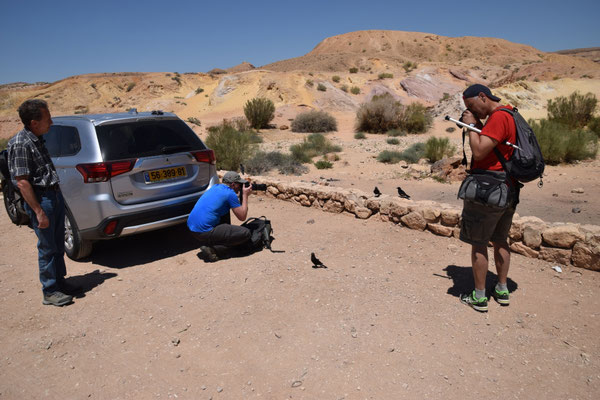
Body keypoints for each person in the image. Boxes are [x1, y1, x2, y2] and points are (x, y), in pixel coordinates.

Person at [7, 99, 80, 307]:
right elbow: (22, 182)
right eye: (48, 119)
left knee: (57, 243)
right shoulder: (21, 143)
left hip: (53, 196)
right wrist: (38, 211)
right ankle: (50, 290)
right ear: (34, 122)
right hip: (42, 200)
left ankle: (60, 282)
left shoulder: (37, 139)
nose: (51, 123)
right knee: (47, 247)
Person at [458, 84, 520, 312]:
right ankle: (502, 290)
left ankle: (480, 296)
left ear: (483, 97)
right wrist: (478, 125)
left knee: (479, 243)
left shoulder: (497, 117)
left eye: (472, 105)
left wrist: (472, 125)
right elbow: (495, 145)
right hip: (507, 187)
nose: (473, 110)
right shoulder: (509, 113)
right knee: (501, 239)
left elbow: (480, 151)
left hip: (489, 190)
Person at [187, 171, 254, 262]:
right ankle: (214, 249)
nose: (240, 187)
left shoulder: (216, 187)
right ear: (233, 184)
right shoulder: (230, 194)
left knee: (225, 208)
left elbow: (224, 199)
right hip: (205, 231)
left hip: (193, 228)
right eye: (239, 184)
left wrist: (237, 195)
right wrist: (245, 196)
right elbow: (242, 216)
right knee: (246, 233)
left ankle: (217, 238)